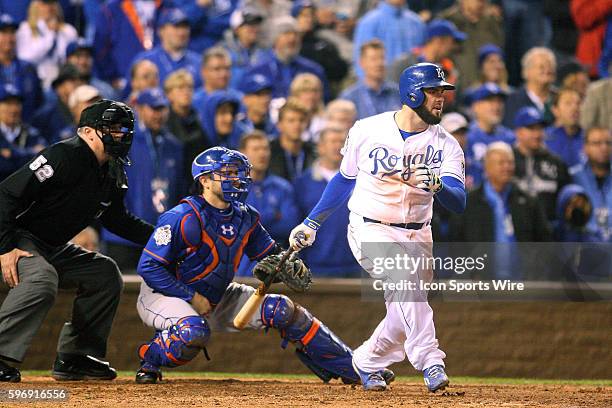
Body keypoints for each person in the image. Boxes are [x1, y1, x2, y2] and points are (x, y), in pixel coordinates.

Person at [133, 145, 394, 386]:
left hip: (216, 294)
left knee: (283, 310)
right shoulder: (181, 217)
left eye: (238, 173)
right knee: (193, 331)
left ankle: (356, 368)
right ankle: (150, 359)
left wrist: (285, 265)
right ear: (204, 180)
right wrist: (191, 296)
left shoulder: (245, 216)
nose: (236, 179)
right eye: (227, 173)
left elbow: (271, 255)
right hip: (165, 295)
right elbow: (150, 268)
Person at [289, 63, 467, 392]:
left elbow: (459, 201)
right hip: (370, 227)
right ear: (412, 93)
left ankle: (365, 361)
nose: (440, 98)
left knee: (404, 311)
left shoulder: (447, 145)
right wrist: (312, 221)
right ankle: (430, 359)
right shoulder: (367, 129)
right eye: (433, 91)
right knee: (404, 280)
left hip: (418, 233)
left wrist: (439, 185)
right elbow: (344, 179)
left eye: (442, 91)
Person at [0, 99, 154, 382]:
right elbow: (6, 194)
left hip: (50, 245)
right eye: (112, 128)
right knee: (41, 279)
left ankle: (75, 357)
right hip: (16, 236)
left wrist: (162, 239)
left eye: (124, 129)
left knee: (104, 273)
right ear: (87, 131)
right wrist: (6, 247)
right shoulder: (64, 155)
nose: (121, 135)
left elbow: (117, 220)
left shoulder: (113, 169)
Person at [102, 89, 184, 270]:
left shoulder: (174, 146)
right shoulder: (124, 141)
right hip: (122, 238)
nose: (159, 114)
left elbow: (179, 190)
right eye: (153, 108)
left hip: (158, 238)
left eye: (162, 108)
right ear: (139, 108)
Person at [293, 125, 361, 277]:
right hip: (316, 266)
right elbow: (296, 223)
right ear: (321, 147)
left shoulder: (363, 180)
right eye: (333, 141)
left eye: (342, 142)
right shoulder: (303, 183)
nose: (338, 146)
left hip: (357, 265)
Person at [244, 16, 328, 101]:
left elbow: (324, 100)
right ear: (275, 39)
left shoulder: (313, 70)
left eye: (296, 34)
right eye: (286, 33)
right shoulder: (258, 70)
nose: (292, 38)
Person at [512, 107, 570, 221]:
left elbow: (565, 199)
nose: (537, 134)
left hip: (549, 229)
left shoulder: (557, 163)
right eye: (531, 129)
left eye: (540, 128)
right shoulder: (508, 161)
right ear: (518, 132)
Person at [438, 0, 504, 89]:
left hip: (484, 91)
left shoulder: (493, 23)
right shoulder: (447, 21)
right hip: (454, 88)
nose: (480, 2)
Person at [352, 0, 426, 78]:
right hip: (382, 85)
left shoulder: (417, 22)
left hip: (412, 84)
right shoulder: (369, 22)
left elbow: (424, 56)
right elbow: (361, 64)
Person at [132, 8, 202, 90]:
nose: (181, 32)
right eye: (176, 27)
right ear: (161, 30)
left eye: (185, 27)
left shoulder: (199, 62)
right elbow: (129, 95)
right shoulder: (145, 60)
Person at [15, 0, 77, 90]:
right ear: (35, 6)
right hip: (35, 81)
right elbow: (25, 58)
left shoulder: (68, 30)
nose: (49, 7)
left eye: (52, 3)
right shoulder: (25, 29)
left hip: (62, 80)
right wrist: (50, 36)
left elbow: (71, 59)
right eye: (44, 4)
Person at [164, 69, 210, 186]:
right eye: (180, 88)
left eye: (189, 88)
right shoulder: (164, 121)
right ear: (169, 94)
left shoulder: (197, 120)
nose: (186, 92)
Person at [340, 40, 401, 120]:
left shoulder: (398, 93)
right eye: (373, 59)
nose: (379, 63)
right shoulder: (349, 97)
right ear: (361, 63)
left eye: (382, 58)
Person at [571, 127, 612, 242]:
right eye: (597, 143)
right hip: (585, 248)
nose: (604, 147)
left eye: (608, 143)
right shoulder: (572, 177)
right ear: (585, 148)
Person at [0, 13, 43, 120]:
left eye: (12, 33)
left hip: (25, 126)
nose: (9, 38)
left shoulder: (28, 68)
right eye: (4, 32)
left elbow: (38, 101)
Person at [0, 84, 46, 181]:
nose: (13, 109)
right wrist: (30, 153)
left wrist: (12, 154)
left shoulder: (32, 133)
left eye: (17, 104)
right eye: (8, 103)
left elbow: (44, 158)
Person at [503, 47, 557, 128]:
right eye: (541, 67)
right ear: (526, 72)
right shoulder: (511, 101)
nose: (547, 70)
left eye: (550, 67)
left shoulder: (561, 99)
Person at [465, 82, 515, 163]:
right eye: (490, 101)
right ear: (476, 106)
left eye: (499, 101)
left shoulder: (510, 137)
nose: (496, 106)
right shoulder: (466, 137)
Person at [269, 100, 316, 181]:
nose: (297, 125)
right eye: (291, 121)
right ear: (279, 125)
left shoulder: (314, 152)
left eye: (301, 120)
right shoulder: (269, 151)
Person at [221, 7, 266, 90]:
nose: (254, 28)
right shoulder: (223, 52)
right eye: (249, 24)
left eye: (256, 24)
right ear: (236, 29)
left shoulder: (264, 51)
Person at [545, 87, 585, 168]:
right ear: (555, 110)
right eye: (568, 103)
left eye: (578, 103)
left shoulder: (590, 138)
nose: (575, 108)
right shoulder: (543, 139)